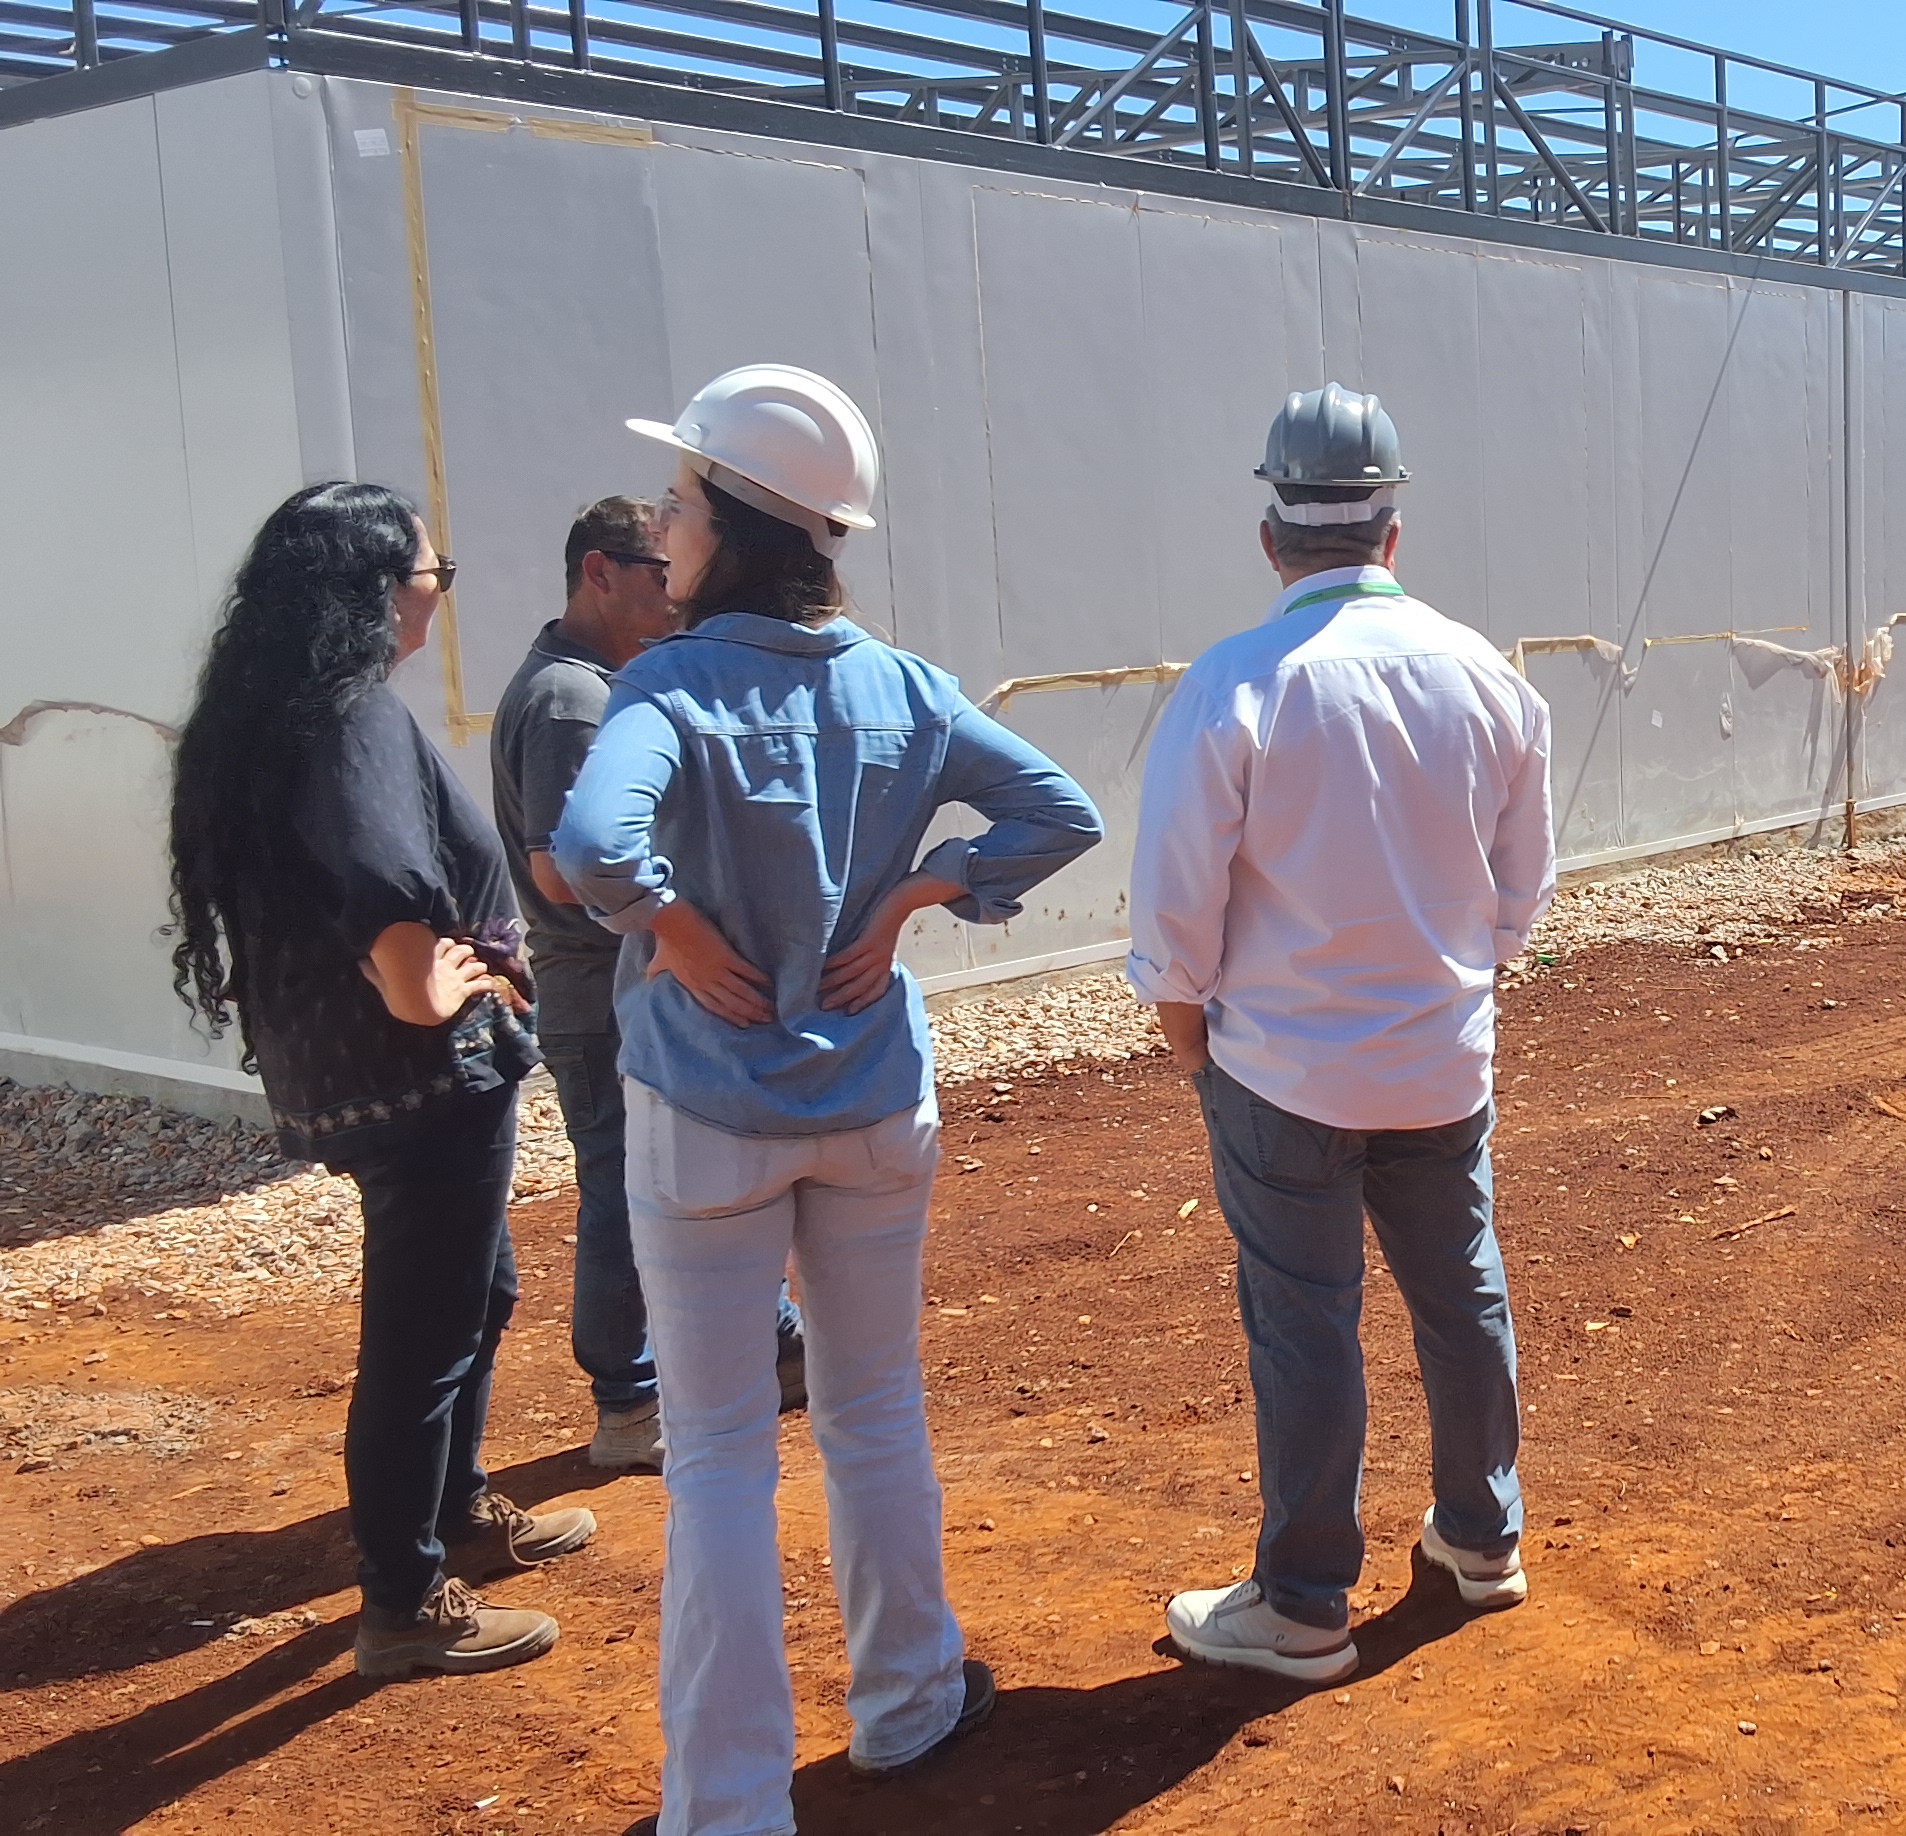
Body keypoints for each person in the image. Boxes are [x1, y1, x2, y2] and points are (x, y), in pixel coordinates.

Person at [553, 364, 1101, 1834]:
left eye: (678, 498)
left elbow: (596, 846)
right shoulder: (902, 687)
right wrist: (927, 887)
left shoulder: (666, 685)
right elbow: (1065, 811)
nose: (663, 525)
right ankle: (908, 1703)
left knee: (721, 1454)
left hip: (709, 1117)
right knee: (874, 1412)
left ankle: (726, 1808)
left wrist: (669, 927)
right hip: (872, 1106)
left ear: (733, 515)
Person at [1128, 383, 1556, 1683]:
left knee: (1306, 1323)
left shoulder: (1234, 684)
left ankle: (1306, 1601)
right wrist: (1448, 987)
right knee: (1460, 1290)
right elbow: (1520, 889)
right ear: (1393, 533)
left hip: (1283, 1070)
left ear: (1273, 538)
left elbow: (1173, 901)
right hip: (1438, 1060)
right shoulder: (1488, 677)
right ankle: (1482, 1536)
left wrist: (1193, 1039)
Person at [166, 482, 595, 1679]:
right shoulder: (350, 721)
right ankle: (405, 1600)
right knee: (425, 1333)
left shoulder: (284, 715)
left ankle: (455, 1514)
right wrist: (435, 985)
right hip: (419, 1081)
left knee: (479, 1295)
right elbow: (382, 887)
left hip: (357, 1078)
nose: (437, 595)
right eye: (431, 574)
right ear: (373, 593)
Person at [492, 496, 806, 1471]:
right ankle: (628, 1400)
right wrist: (683, 934)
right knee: (626, 1194)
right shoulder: (571, 704)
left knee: (699, 1173)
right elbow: (560, 868)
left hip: (630, 989)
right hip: (608, 998)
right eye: (657, 571)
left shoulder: (597, 686)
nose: (678, 593)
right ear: (599, 571)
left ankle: (778, 1347)